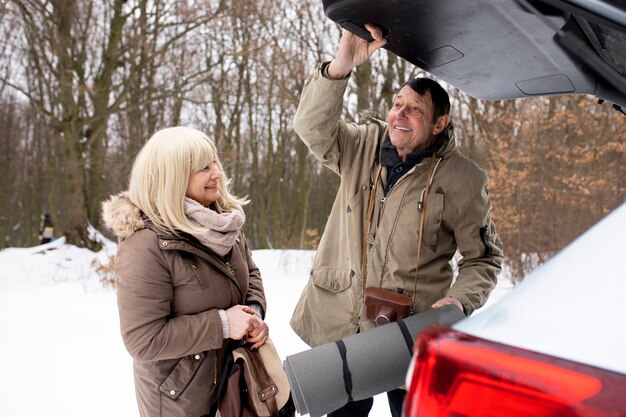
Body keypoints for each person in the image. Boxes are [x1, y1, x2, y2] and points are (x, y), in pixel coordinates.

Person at [290, 24, 503, 417]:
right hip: (342, 321)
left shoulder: (464, 180)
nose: (399, 114)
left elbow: (484, 259)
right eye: (397, 104)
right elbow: (310, 127)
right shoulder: (361, 145)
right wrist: (341, 64)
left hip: (408, 335)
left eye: (415, 109)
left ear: (440, 124)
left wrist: (459, 300)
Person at [102, 126, 269, 417]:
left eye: (214, 162)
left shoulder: (222, 221)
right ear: (173, 177)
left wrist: (252, 312)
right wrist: (224, 325)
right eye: (204, 167)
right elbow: (143, 339)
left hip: (235, 388)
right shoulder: (145, 243)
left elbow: (250, 272)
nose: (217, 173)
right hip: (182, 402)